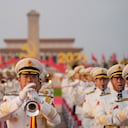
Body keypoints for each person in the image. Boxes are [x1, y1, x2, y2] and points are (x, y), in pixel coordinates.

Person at [0, 57, 61, 128]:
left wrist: (40, 102)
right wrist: (19, 100)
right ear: (19, 79)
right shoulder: (10, 98)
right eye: (25, 76)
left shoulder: (45, 99)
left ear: (38, 80)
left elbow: (56, 121)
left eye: (34, 76)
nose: (29, 80)